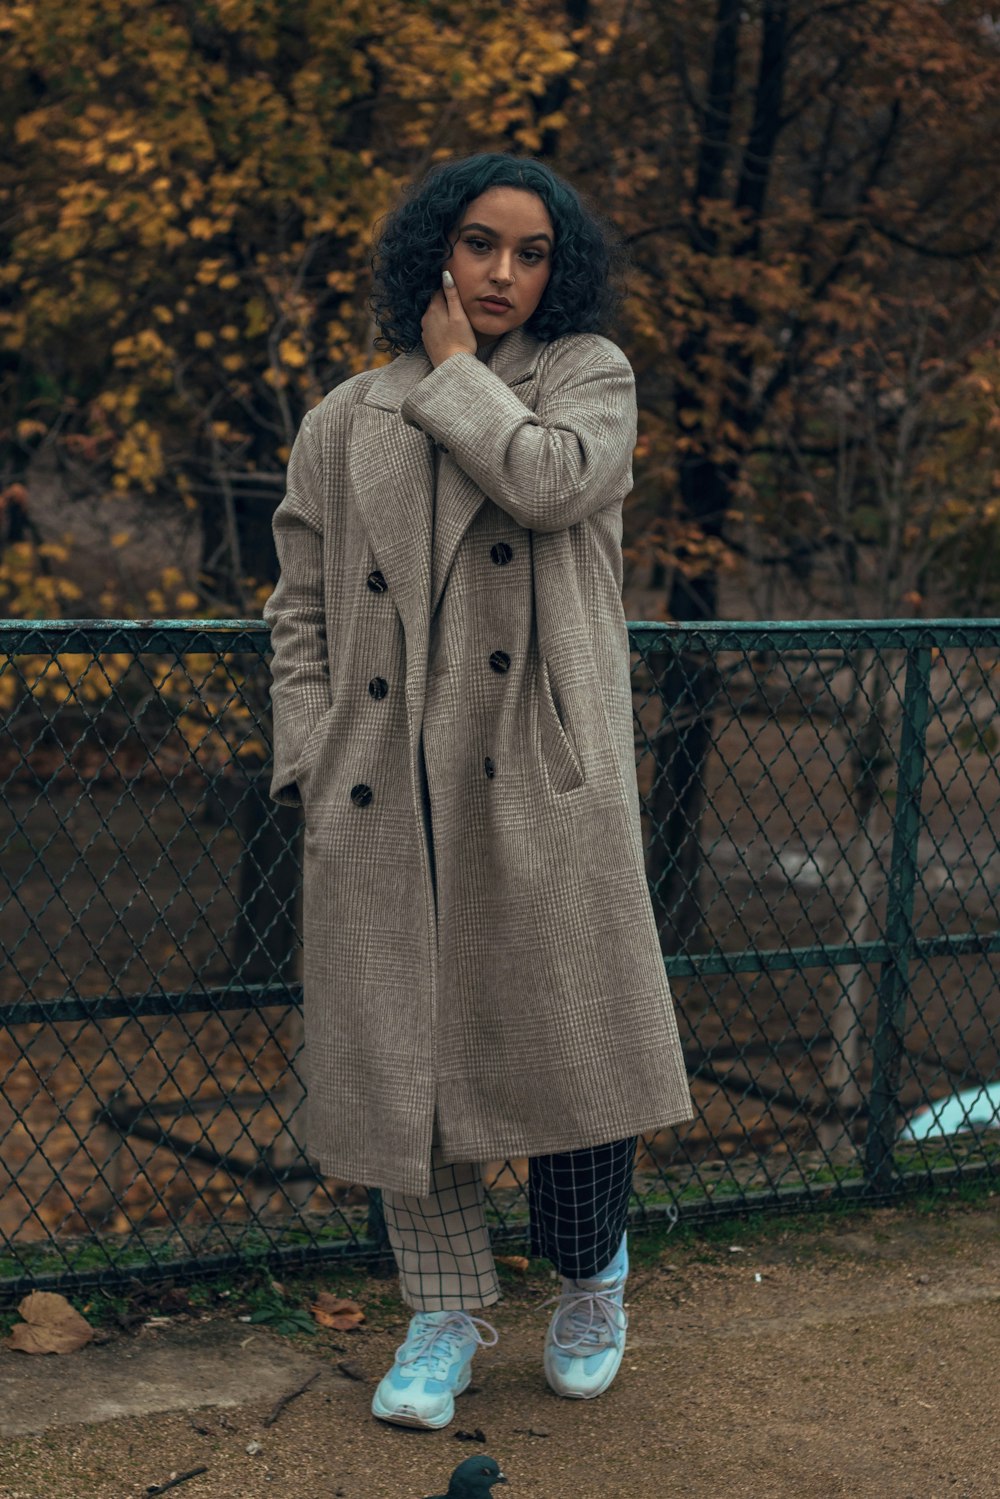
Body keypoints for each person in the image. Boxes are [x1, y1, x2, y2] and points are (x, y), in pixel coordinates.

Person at [261, 152, 693, 1431]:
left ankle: (589, 1274)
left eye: (530, 251)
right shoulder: (344, 416)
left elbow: (548, 480)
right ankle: (441, 1308)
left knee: (572, 1045)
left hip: (535, 763)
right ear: (432, 256)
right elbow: (298, 600)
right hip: (384, 783)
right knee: (407, 1063)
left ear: (559, 269)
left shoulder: (588, 377)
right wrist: (311, 748)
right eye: (477, 245)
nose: (501, 272)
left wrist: (454, 377)